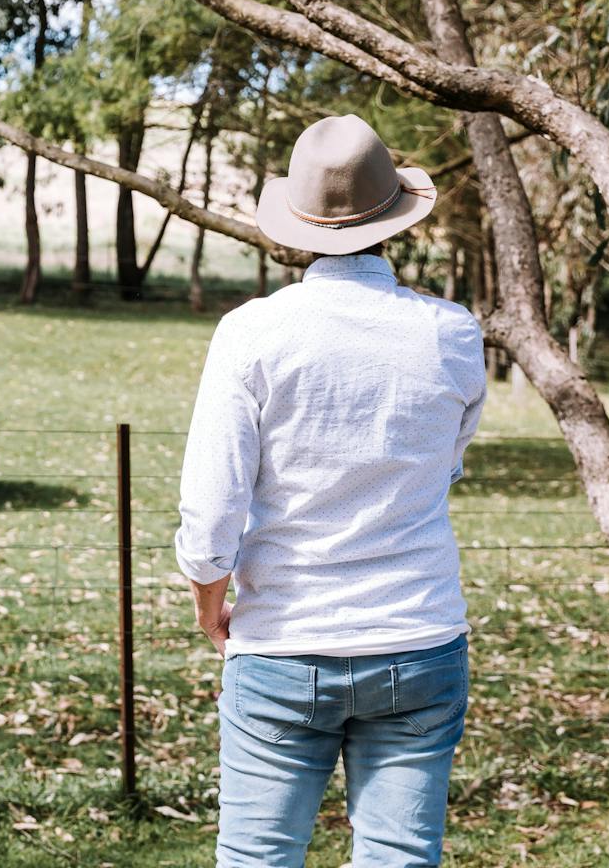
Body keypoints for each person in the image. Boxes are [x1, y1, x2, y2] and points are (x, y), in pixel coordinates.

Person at [176, 114, 485, 867]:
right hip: (417, 639)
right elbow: (443, 465)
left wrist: (210, 605)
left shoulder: (251, 333)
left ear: (300, 225)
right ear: (394, 219)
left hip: (283, 644)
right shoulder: (452, 333)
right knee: (400, 856)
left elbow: (213, 505)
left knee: (258, 858)